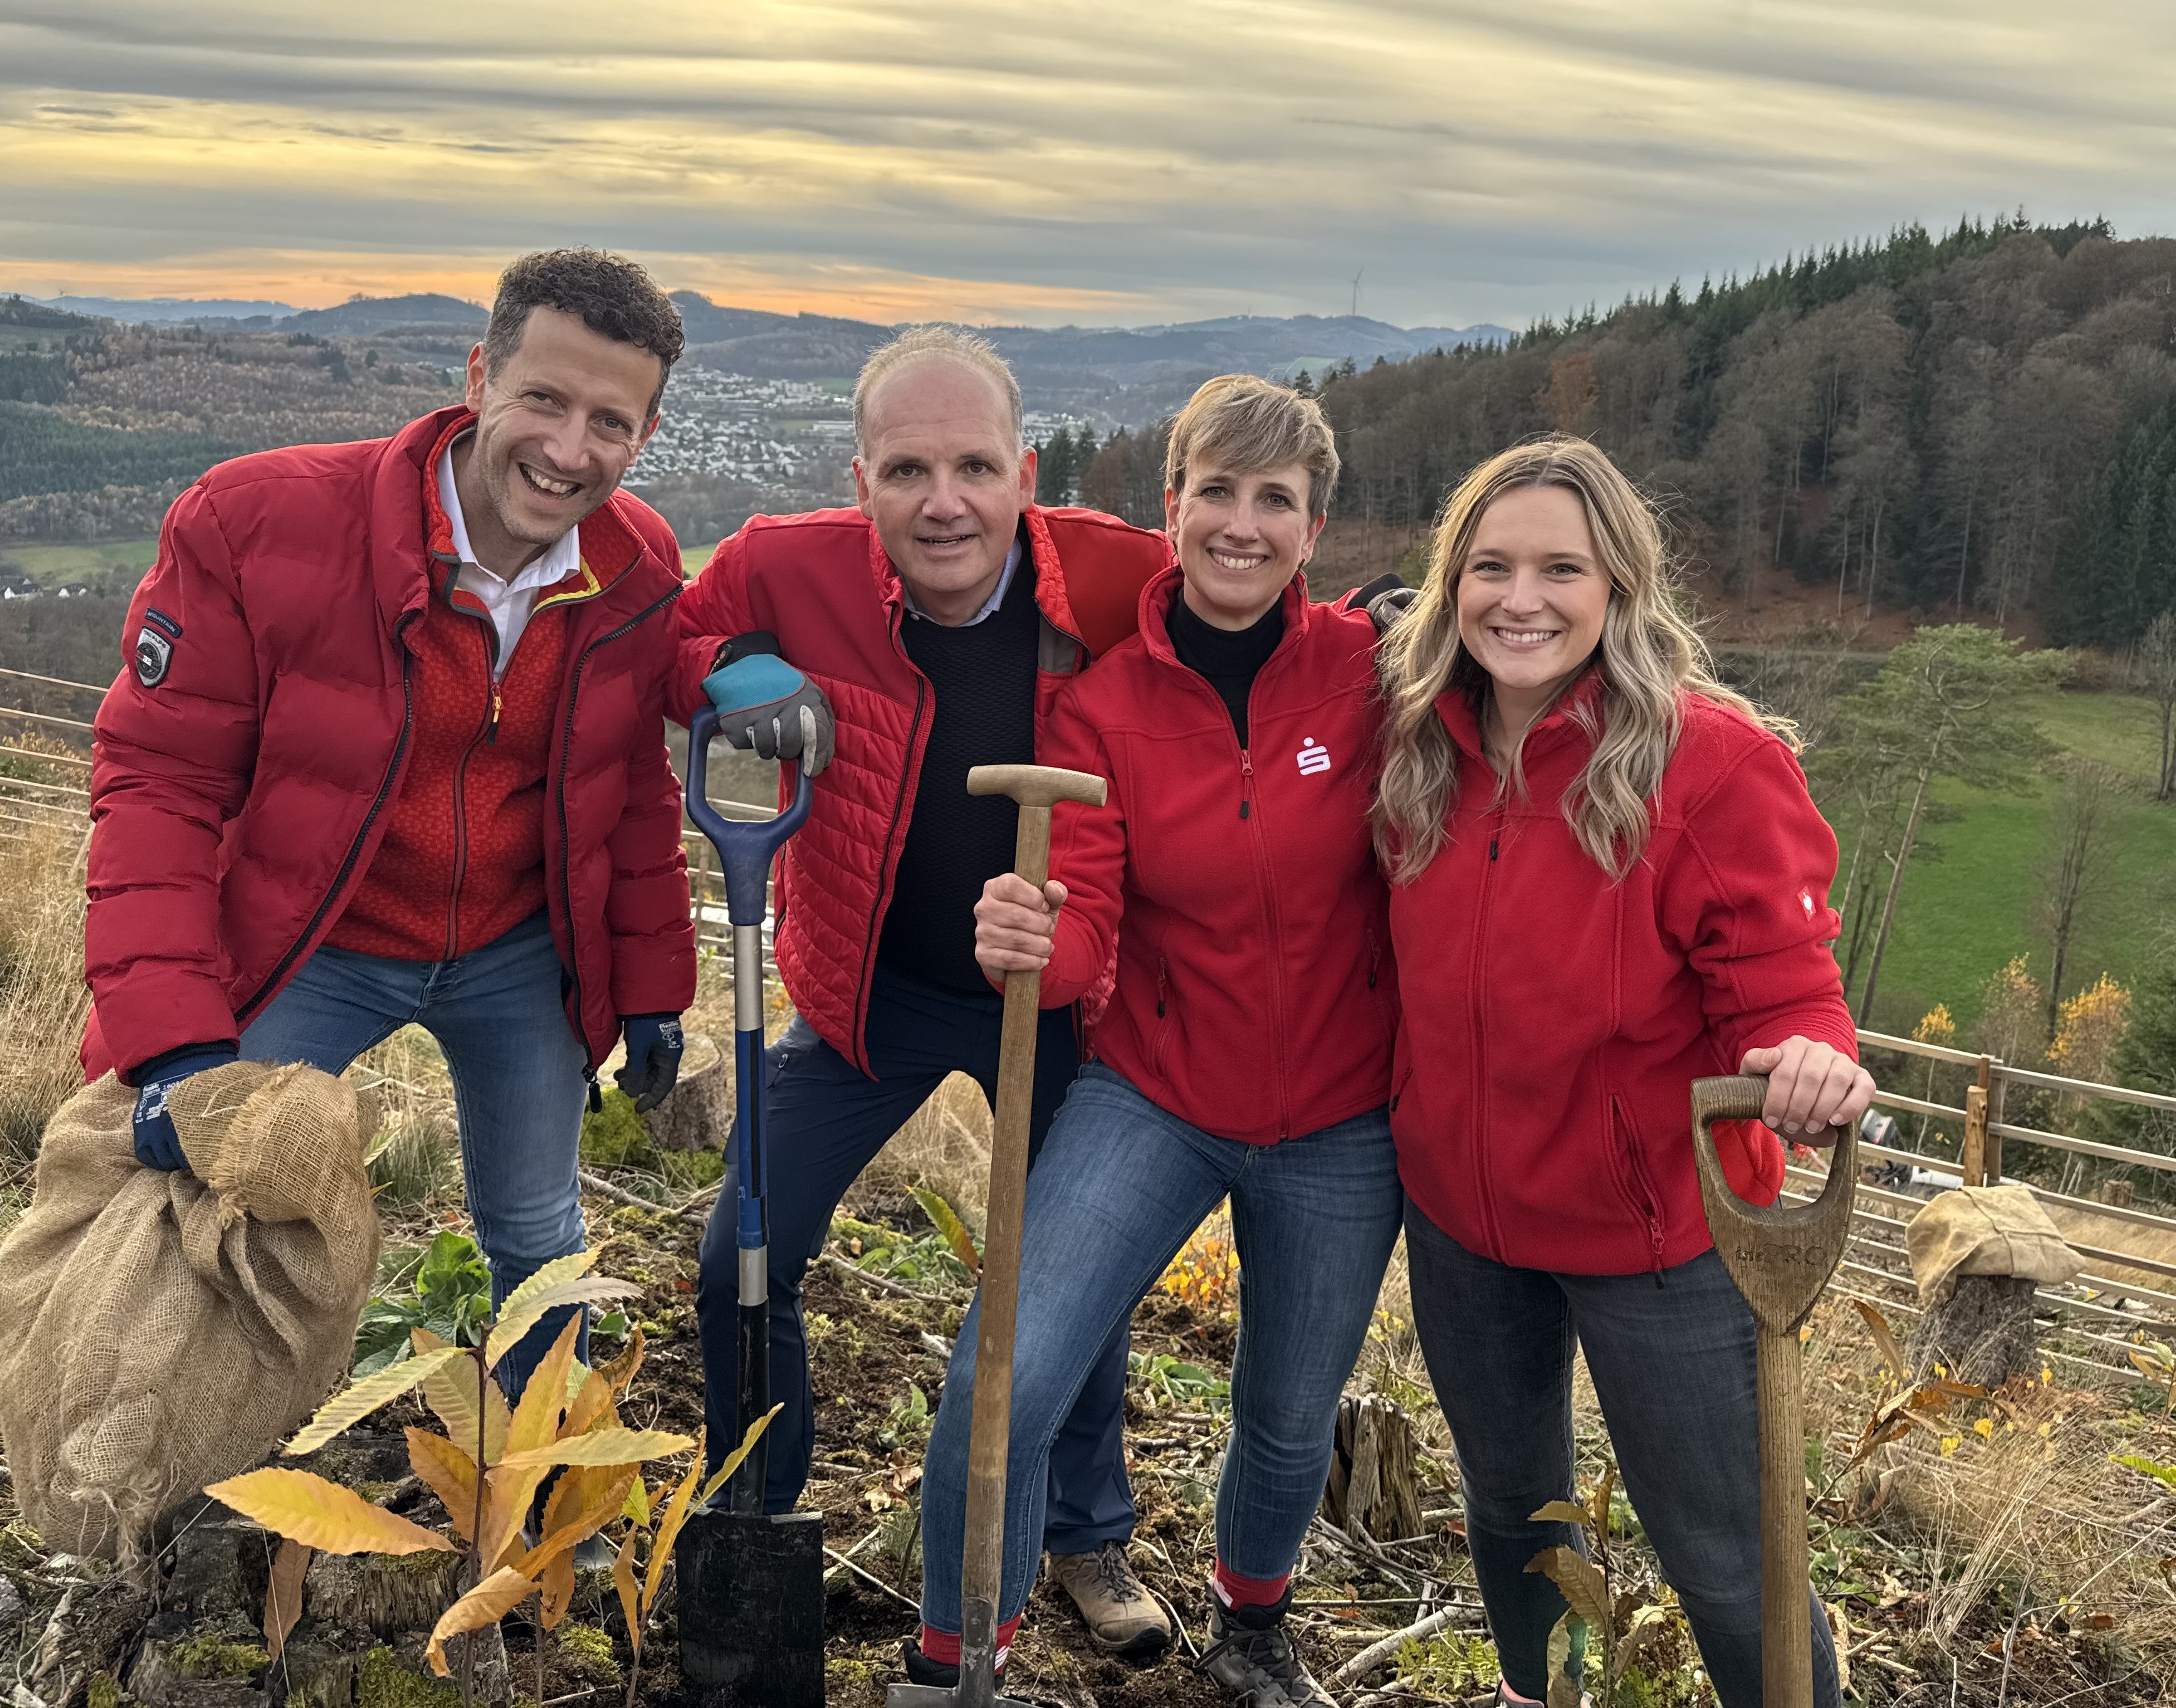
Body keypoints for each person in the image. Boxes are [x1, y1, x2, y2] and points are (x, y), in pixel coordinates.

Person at [83, 249, 698, 1394]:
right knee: (212, 1204)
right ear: (478, 376)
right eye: (544, 400)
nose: (568, 451)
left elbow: (630, 787)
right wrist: (173, 1045)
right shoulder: (257, 526)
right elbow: (158, 785)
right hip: (323, 938)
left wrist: (653, 976)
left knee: (538, 1236)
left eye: (609, 421)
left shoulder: (635, 566)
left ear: (646, 434)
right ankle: (197, 1471)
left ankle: (538, 1481)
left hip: (518, 948)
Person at [668, 328, 1179, 1655]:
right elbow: (678, 637)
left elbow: (1256, 621)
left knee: (1072, 1282)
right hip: (865, 996)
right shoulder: (793, 564)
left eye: (971, 465)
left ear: (1023, 472)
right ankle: (755, 1516)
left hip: (1055, 1001)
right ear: (861, 477)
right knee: (741, 1257)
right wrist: (740, 674)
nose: (941, 501)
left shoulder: (1119, 575)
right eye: (906, 469)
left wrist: (1391, 621)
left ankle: (1084, 1534)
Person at [913, 375, 1401, 1707]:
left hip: (1345, 1118)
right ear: (1170, 506)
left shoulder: (1371, 677)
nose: (1243, 526)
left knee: (1292, 1415)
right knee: (1002, 1371)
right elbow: (1087, 917)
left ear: (1314, 528)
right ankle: (959, 1659)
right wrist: (1039, 937)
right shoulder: (1105, 706)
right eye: (1218, 494)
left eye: (1277, 501)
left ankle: (1253, 1625)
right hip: (1158, 1093)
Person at [1370, 436, 1872, 1708]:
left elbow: (1789, 984)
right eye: (1489, 566)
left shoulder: (1708, 763)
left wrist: (1812, 1057)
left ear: (1619, 590)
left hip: (1663, 1238)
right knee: (1514, 1504)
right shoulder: (1421, 742)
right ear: (1449, 584)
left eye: (1560, 568)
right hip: (1463, 1222)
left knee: (1724, 1551)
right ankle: (1546, 1693)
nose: (1520, 599)